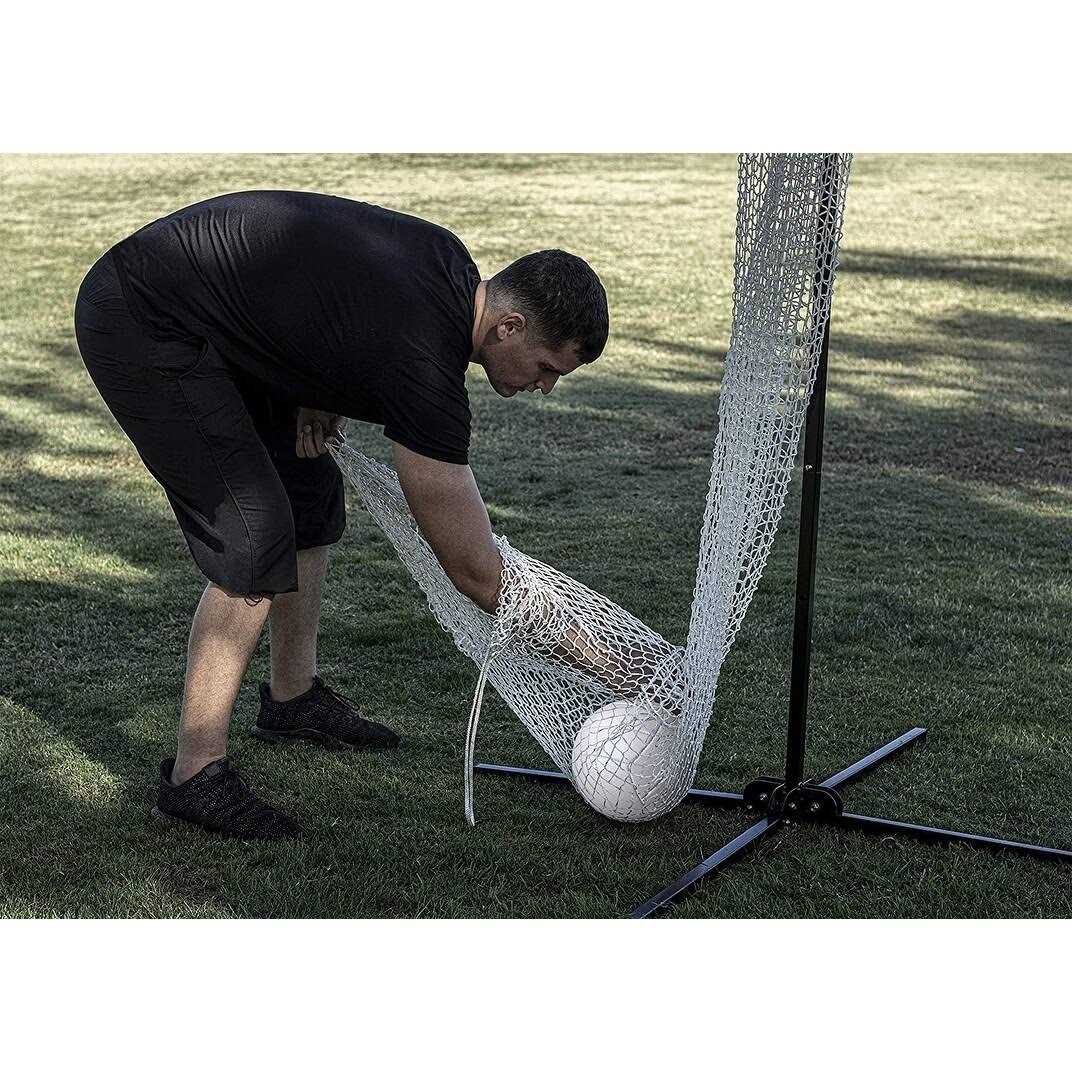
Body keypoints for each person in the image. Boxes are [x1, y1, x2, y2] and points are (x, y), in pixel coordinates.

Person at [73, 189, 609, 840]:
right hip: (145, 318)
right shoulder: (426, 362)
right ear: (509, 326)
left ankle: (292, 700)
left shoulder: (448, 267)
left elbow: (331, 295)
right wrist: (605, 661)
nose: (545, 387)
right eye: (548, 369)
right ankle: (194, 776)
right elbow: (476, 572)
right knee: (254, 535)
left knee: (310, 494)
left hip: (209, 312)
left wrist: (320, 383)